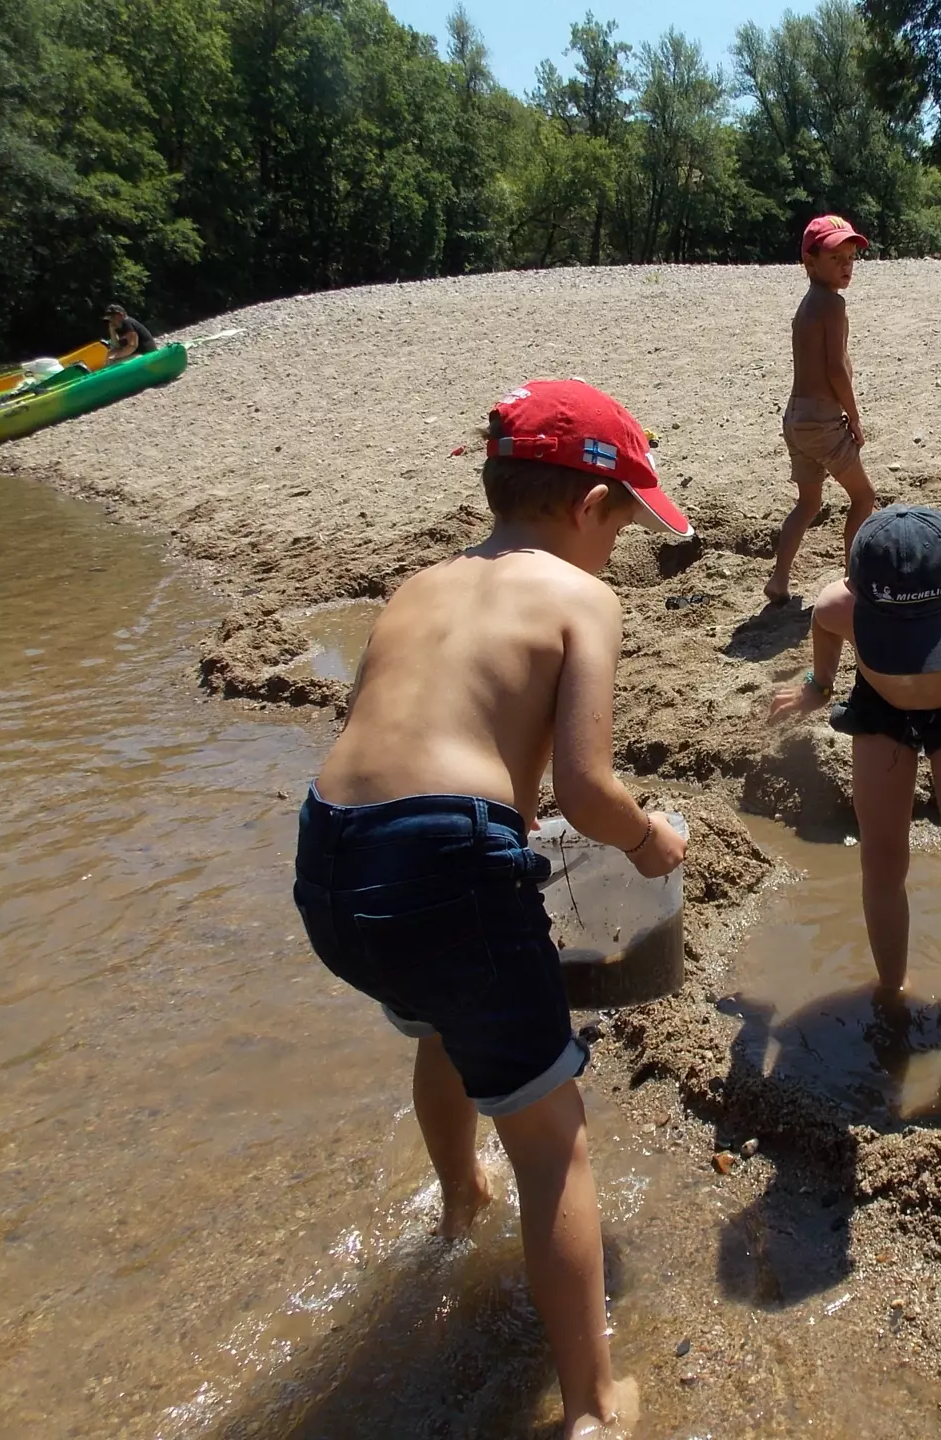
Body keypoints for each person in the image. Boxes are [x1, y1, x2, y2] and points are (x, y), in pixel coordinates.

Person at [291, 378, 692, 1438]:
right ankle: (594, 1409)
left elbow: (386, 736)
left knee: (442, 1026)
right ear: (583, 506)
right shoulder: (578, 595)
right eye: (622, 523)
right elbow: (587, 791)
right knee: (555, 1140)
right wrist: (653, 841)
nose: (618, 550)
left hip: (334, 861)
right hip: (450, 865)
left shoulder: (417, 585)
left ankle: (459, 1197)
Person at [771, 505, 941, 1011]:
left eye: (926, 639)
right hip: (881, 704)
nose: (913, 654)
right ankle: (892, 990)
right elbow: (822, 625)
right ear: (855, 588)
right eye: (898, 638)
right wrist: (818, 685)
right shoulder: (837, 607)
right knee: (882, 854)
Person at [765, 214, 878, 605]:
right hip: (822, 420)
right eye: (836, 258)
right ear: (809, 262)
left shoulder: (808, 304)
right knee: (864, 498)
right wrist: (855, 416)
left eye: (851, 257)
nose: (846, 266)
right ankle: (853, 582)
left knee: (809, 503)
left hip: (796, 418)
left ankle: (779, 580)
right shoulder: (832, 304)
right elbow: (836, 369)